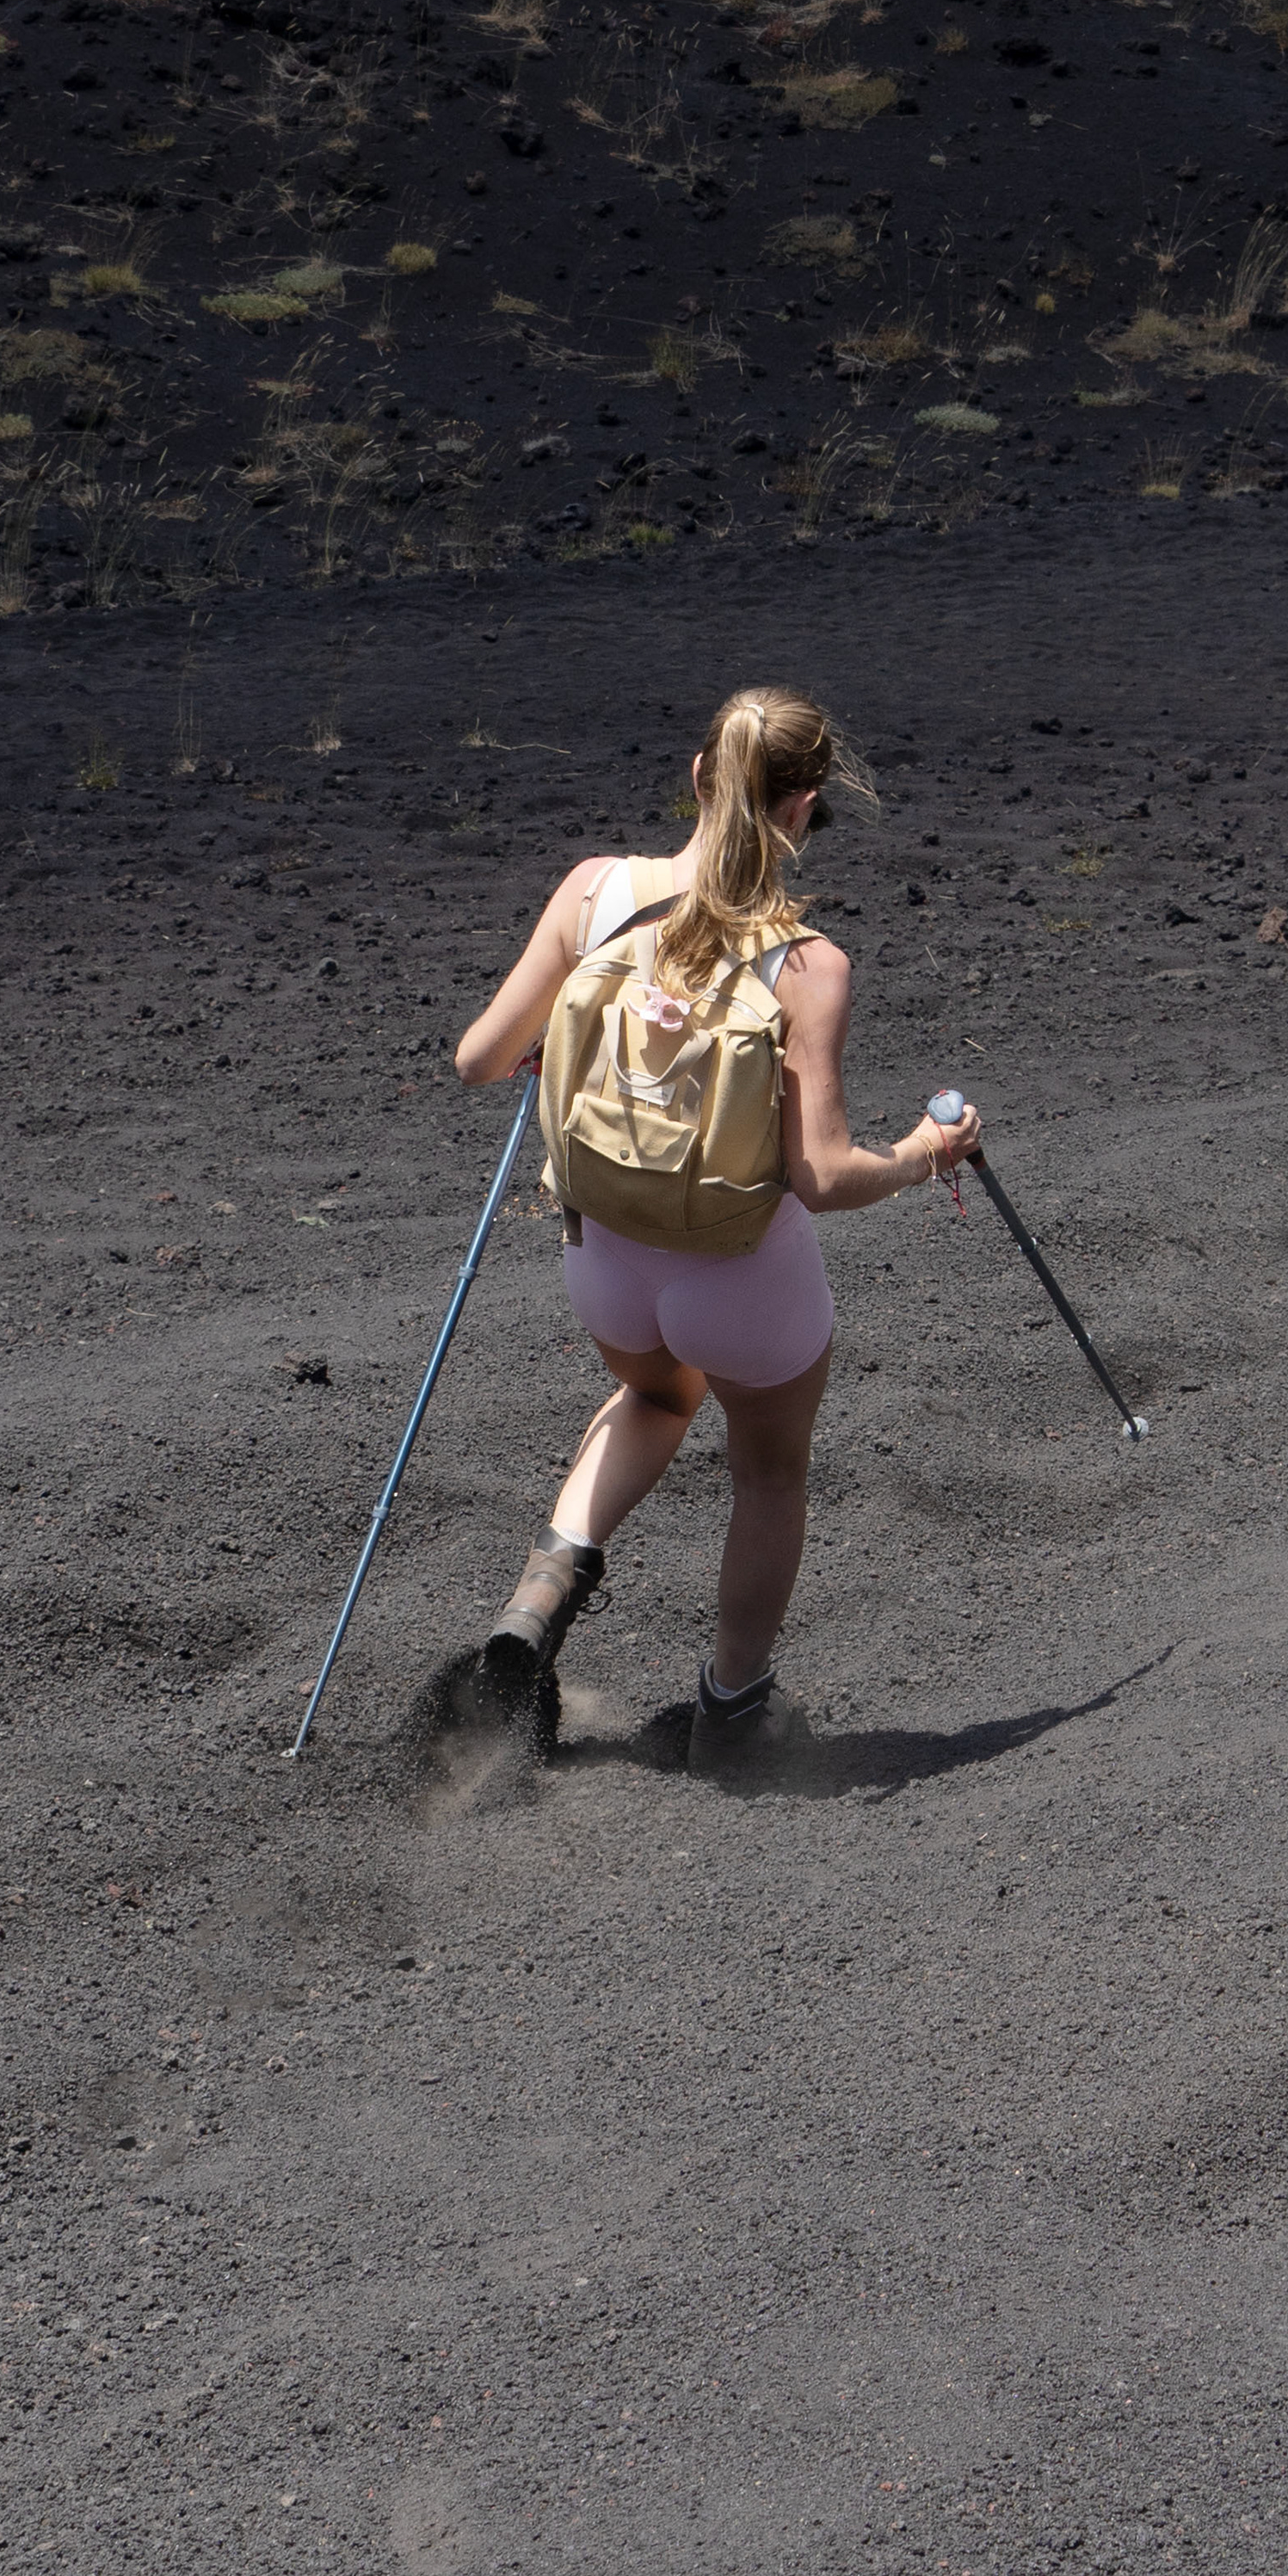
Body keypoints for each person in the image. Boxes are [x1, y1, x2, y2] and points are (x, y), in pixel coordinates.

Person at [447, 683, 978, 1766]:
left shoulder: (594, 891)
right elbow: (822, 1177)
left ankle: (534, 1608)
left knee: (651, 1395)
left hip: (608, 1262)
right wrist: (926, 1156)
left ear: (699, 776)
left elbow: (477, 1059)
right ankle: (734, 1707)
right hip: (740, 1277)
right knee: (769, 1472)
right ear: (805, 807)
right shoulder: (808, 964)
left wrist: (562, 1040)